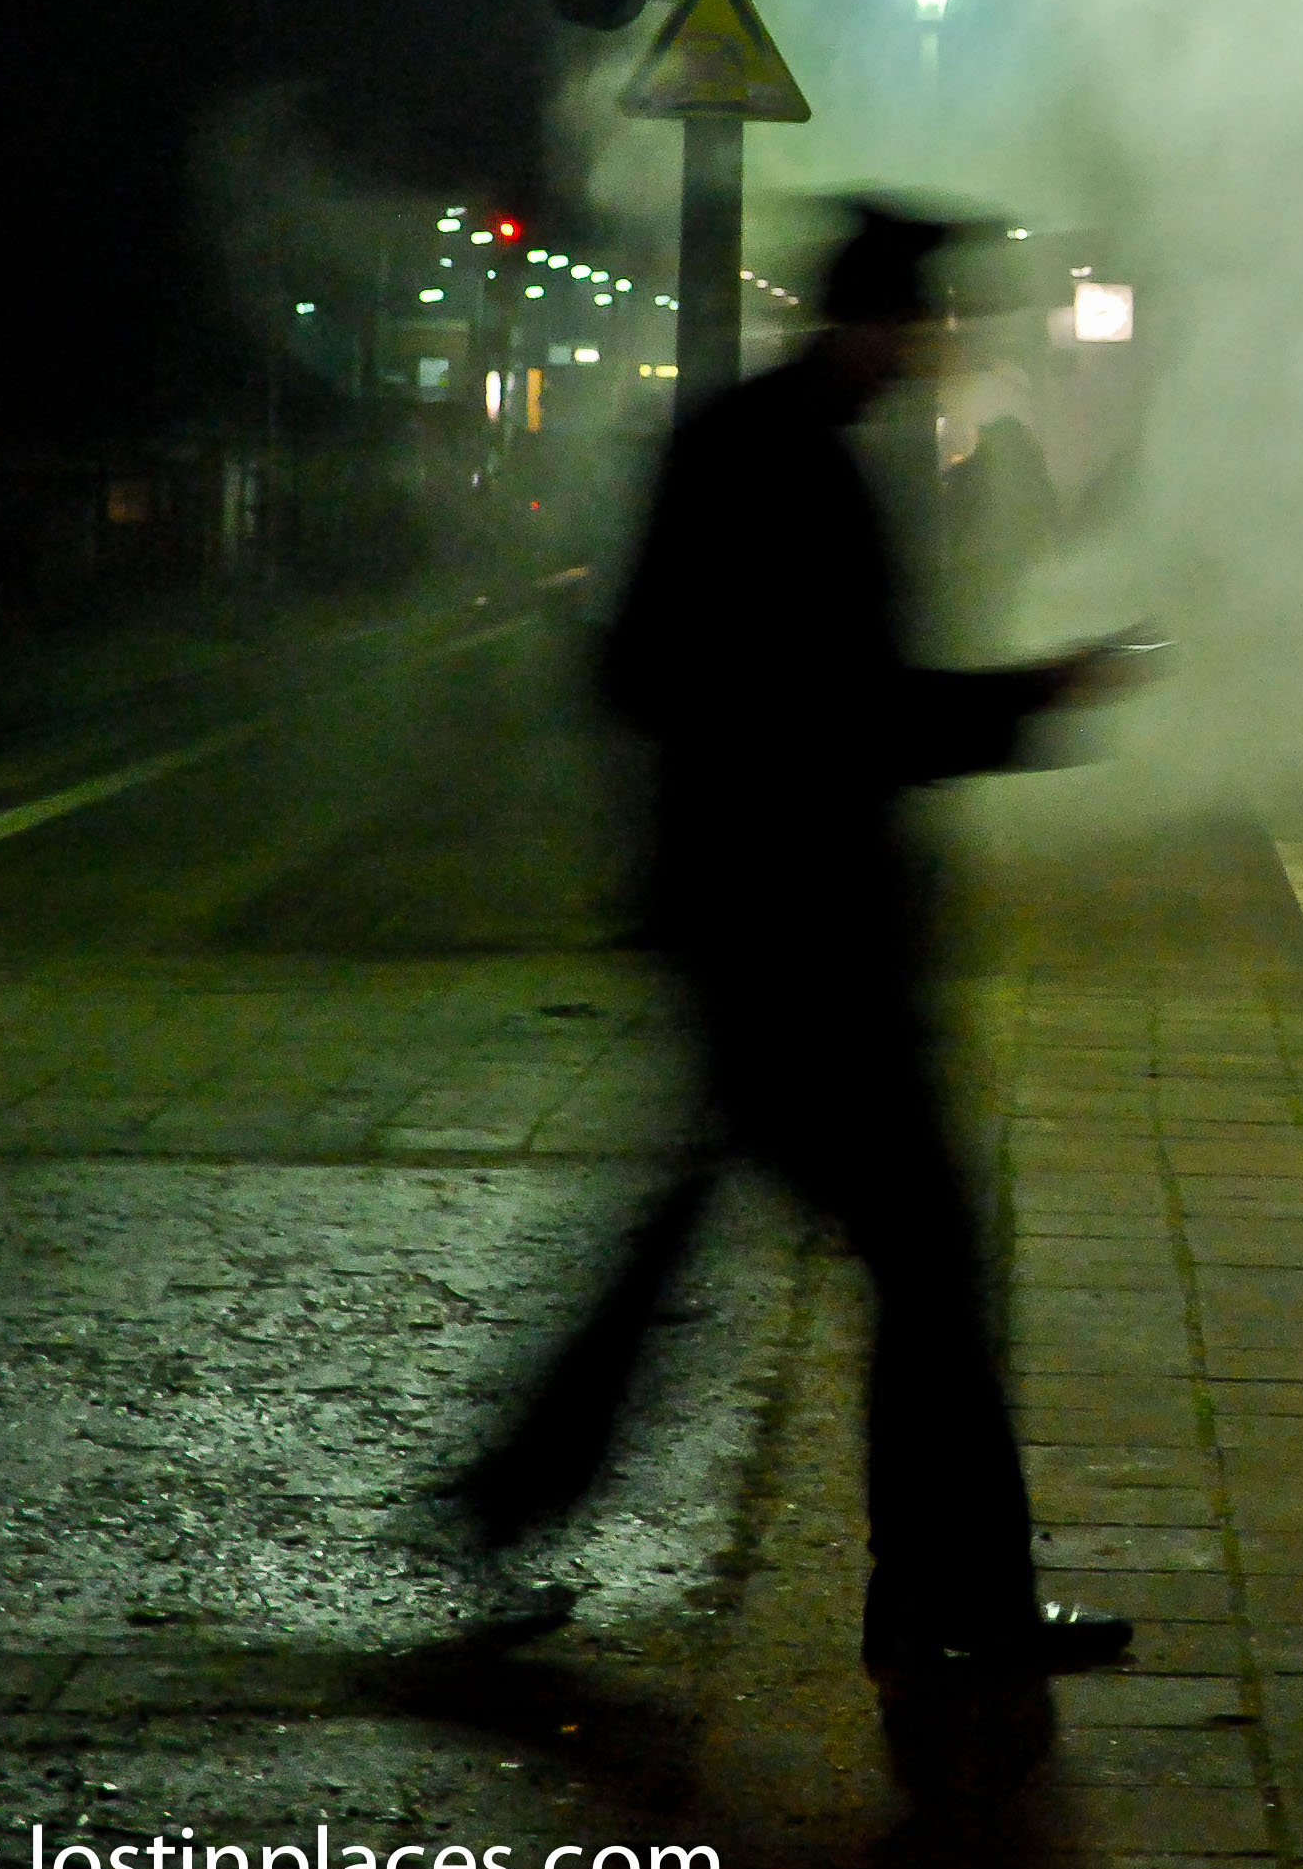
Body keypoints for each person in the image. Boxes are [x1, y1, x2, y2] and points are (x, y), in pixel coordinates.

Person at [456, 204, 1135, 1675]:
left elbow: (648, 668)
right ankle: (952, 1604)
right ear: (881, 323)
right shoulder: (797, 468)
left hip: (756, 925)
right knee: (931, 1266)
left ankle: (512, 1503)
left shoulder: (746, 441)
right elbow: (849, 714)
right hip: (802, 941)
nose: (944, 356)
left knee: (694, 1241)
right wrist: (1041, 697)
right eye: (933, 325)